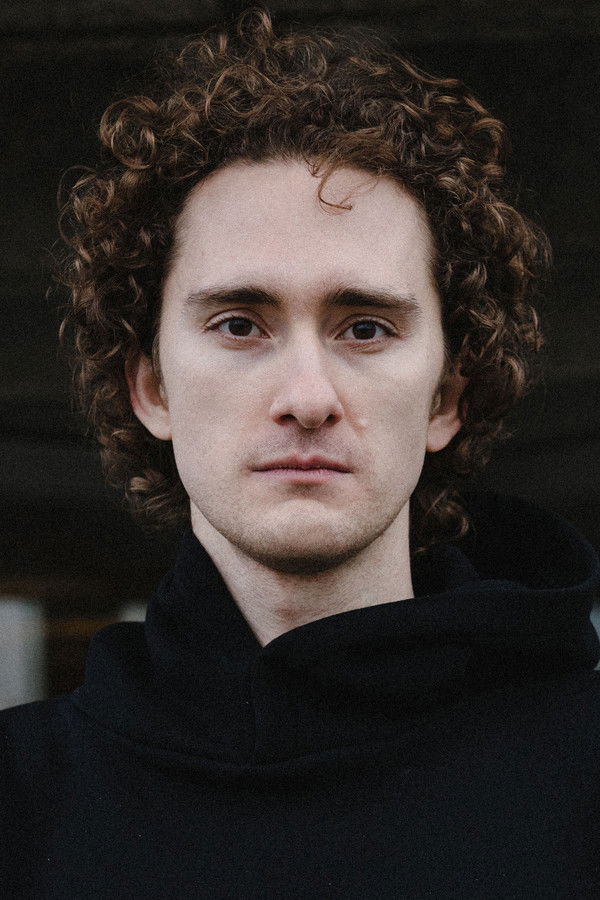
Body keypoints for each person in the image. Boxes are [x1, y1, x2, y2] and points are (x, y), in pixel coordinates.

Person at [2, 6, 600, 897]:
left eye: (365, 327)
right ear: (152, 388)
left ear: (446, 397)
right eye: (239, 324)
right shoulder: (19, 806)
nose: (309, 398)